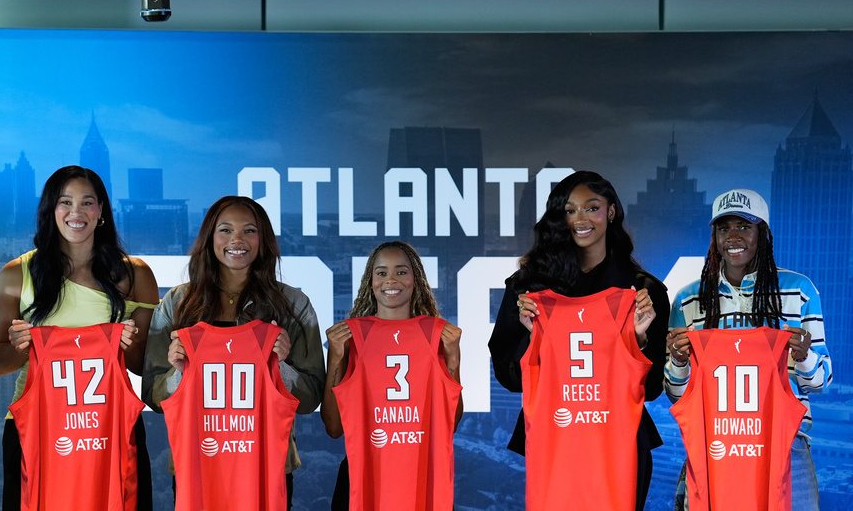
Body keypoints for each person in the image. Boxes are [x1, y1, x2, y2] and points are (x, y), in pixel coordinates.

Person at [488, 170, 669, 511]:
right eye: (570, 210)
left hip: (621, 443)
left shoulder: (643, 291)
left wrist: (638, 340)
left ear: (611, 212)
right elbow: (508, 378)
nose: (580, 219)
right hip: (555, 441)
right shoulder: (529, 288)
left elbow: (653, 389)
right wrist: (531, 338)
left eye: (591, 207)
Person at [0, 165, 159, 511]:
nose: (76, 213)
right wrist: (22, 349)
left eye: (87, 203)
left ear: (101, 212)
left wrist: (127, 349)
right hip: (36, 426)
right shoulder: (15, 274)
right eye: (65, 202)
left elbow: (146, 366)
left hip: (109, 426)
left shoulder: (135, 273)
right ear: (51, 211)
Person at [142, 195, 325, 508]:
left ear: (263, 239)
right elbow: (154, 397)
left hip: (268, 465)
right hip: (196, 462)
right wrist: (178, 372)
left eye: (249, 231)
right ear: (210, 238)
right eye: (225, 230)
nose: (237, 240)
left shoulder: (293, 305)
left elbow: (309, 399)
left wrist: (280, 365)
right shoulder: (177, 303)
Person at [664, 188, 831, 511]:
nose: (733, 237)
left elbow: (820, 383)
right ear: (714, 236)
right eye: (724, 228)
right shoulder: (689, 299)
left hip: (784, 445)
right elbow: (675, 393)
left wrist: (804, 356)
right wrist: (679, 360)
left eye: (744, 226)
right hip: (714, 444)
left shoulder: (799, 290)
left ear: (763, 233)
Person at [321, 241, 462, 510]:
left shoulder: (439, 335)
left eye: (401, 271)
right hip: (362, 478)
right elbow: (333, 428)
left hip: (421, 477)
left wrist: (453, 360)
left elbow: (449, 425)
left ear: (416, 279)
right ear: (370, 281)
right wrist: (336, 358)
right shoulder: (349, 337)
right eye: (382, 272)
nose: (391, 280)